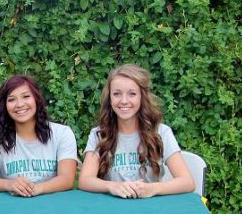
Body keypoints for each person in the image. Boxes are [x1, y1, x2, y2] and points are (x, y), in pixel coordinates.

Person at [78, 64, 194, 198]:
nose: (124, 101)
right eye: (117, 94)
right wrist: (112, 186)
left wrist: (153, 189)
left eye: (132, 94)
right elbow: (85, 180)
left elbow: (187, 182)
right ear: (109, 98)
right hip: (112, 210)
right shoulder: (99, 134)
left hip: (151, 209)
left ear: (142, 97)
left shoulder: (161, 132)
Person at [0, 75, 78, 197]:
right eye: (11, 99)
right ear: (5, 106)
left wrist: (37, 189)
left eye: (26, 96)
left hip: (51, 206)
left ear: (36, 99)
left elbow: (67, 179)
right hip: (11, 206)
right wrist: (10, 185)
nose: (19, 104)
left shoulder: (62, 133)